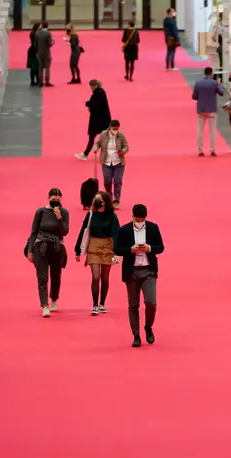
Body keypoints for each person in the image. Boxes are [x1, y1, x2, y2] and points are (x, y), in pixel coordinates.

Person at [114, 204, 165, 348]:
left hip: (148, 270)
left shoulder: (153, 228)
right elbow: (117, 249)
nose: (139, 221)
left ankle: (148, 327)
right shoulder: (124, 230)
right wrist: (131, 249)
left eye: (142, 219)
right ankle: (136, 335)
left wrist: (149, 248)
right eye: (137, 219)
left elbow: (160, 247)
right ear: (132, 217)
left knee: (151, 302)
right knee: (133, 305)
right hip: (132, 271)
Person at [74, 191, 120, 315]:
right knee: (95, 277)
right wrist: (77, 249)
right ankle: (94, 305)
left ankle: (102, 303)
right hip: (93, 246)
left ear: (105, 202)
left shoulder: (112, 216)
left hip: (108, 247)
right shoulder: (90, 215)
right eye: (95, 199)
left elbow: (116, 234)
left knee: (105, 278)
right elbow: (83, 231)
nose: (97, 201)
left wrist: (116, 251)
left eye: (99, 199)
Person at [27, 188, 70, 317]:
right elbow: (33, 231)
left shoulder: (64, 212)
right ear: (48, 198)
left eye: (58, 200)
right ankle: (44, 305)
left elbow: (64, 232)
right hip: (41, 246)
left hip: (57, 247)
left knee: (56, 275)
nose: (55, 203)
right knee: (42, 276)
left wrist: (59, 218)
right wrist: (30, 251)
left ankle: (54, 299)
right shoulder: (40, 212)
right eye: (53, 200)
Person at [91, 119, 128, 210]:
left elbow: (126, 147)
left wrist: (122, 152)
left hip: (118, 162)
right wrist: (95, 148)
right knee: (107, 181)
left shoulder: (121, 135)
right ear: (110, 127)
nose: (115, 131)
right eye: (114, 129)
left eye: (117, 129)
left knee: (117, 181)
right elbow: (97, 143)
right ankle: (109, 198)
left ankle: (116, 200)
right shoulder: (103, 134)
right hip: (106, 162)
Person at [192, 66, 224, 156]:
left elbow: (194, 96)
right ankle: (212, 150)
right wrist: (218, 84)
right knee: (212, 130)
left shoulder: (198, 83)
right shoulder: (214, 83)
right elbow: (221, 93)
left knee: (200, 130)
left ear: (204, 73)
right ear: (211, 73)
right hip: (212, 109)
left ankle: (200, 150)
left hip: (201, 109)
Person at [76, 80, 112, 160]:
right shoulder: (101, 93)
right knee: (104, 138)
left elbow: (95, 105)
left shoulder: (97, 94)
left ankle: (85, 154)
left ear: (94, 86)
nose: (91, 88)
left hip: (97, 121)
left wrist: (88, 103)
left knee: (93, 137)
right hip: (103, 120)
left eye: (91, 86)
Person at [34, 21, 54, 87]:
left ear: (42, 26)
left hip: (39, 52)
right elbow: (49, 44)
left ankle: (40, 82)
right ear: (47, 26)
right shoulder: (48, 33)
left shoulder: (37, 33)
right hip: (46, 52)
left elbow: (35, 44)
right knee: (47, 68)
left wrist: (37, 51)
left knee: (40, 68)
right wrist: (53, 42)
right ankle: (47, 81)